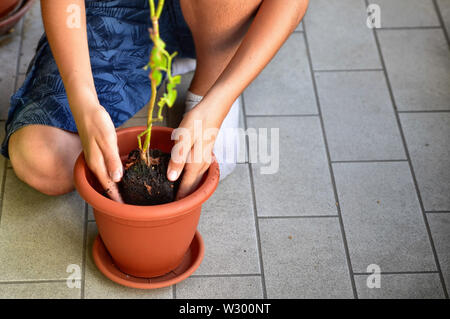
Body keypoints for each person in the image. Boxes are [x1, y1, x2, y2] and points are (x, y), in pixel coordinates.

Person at [2, 0, 308, 202]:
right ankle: (160, 61)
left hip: (222, 10)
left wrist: (220, 98)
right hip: (118, 10)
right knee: (43, 159)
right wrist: (82, 97)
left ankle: (212, 76)